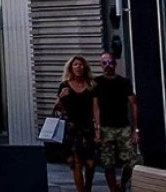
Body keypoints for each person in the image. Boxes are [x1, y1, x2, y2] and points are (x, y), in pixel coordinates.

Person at [92, 54, 138, 192]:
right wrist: (98, 128)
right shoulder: (97, 82)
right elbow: (95, 107)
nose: (107, 65)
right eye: (104, 62)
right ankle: (113, 189)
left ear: (115, 64)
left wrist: (136, 129)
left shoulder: (124, 82)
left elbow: (133, 104)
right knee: (108, 162)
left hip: (123, 126)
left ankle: (122, 184)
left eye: (110, 62)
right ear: (101, 65)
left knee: (130, 161)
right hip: (105, 127)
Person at [57, 56, 99, 192]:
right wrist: (61, 97)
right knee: (77, 162)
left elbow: (96, 108)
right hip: (72, 128)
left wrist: (98, 128)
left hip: (87, 127)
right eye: (75, 65)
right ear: (71, 68)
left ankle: (88, 187)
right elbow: (58, 108)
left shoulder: (91, 85)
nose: (78, 67)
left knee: (90, 163)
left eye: (81, 65)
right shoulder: (64, 85)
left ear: (85, 67)